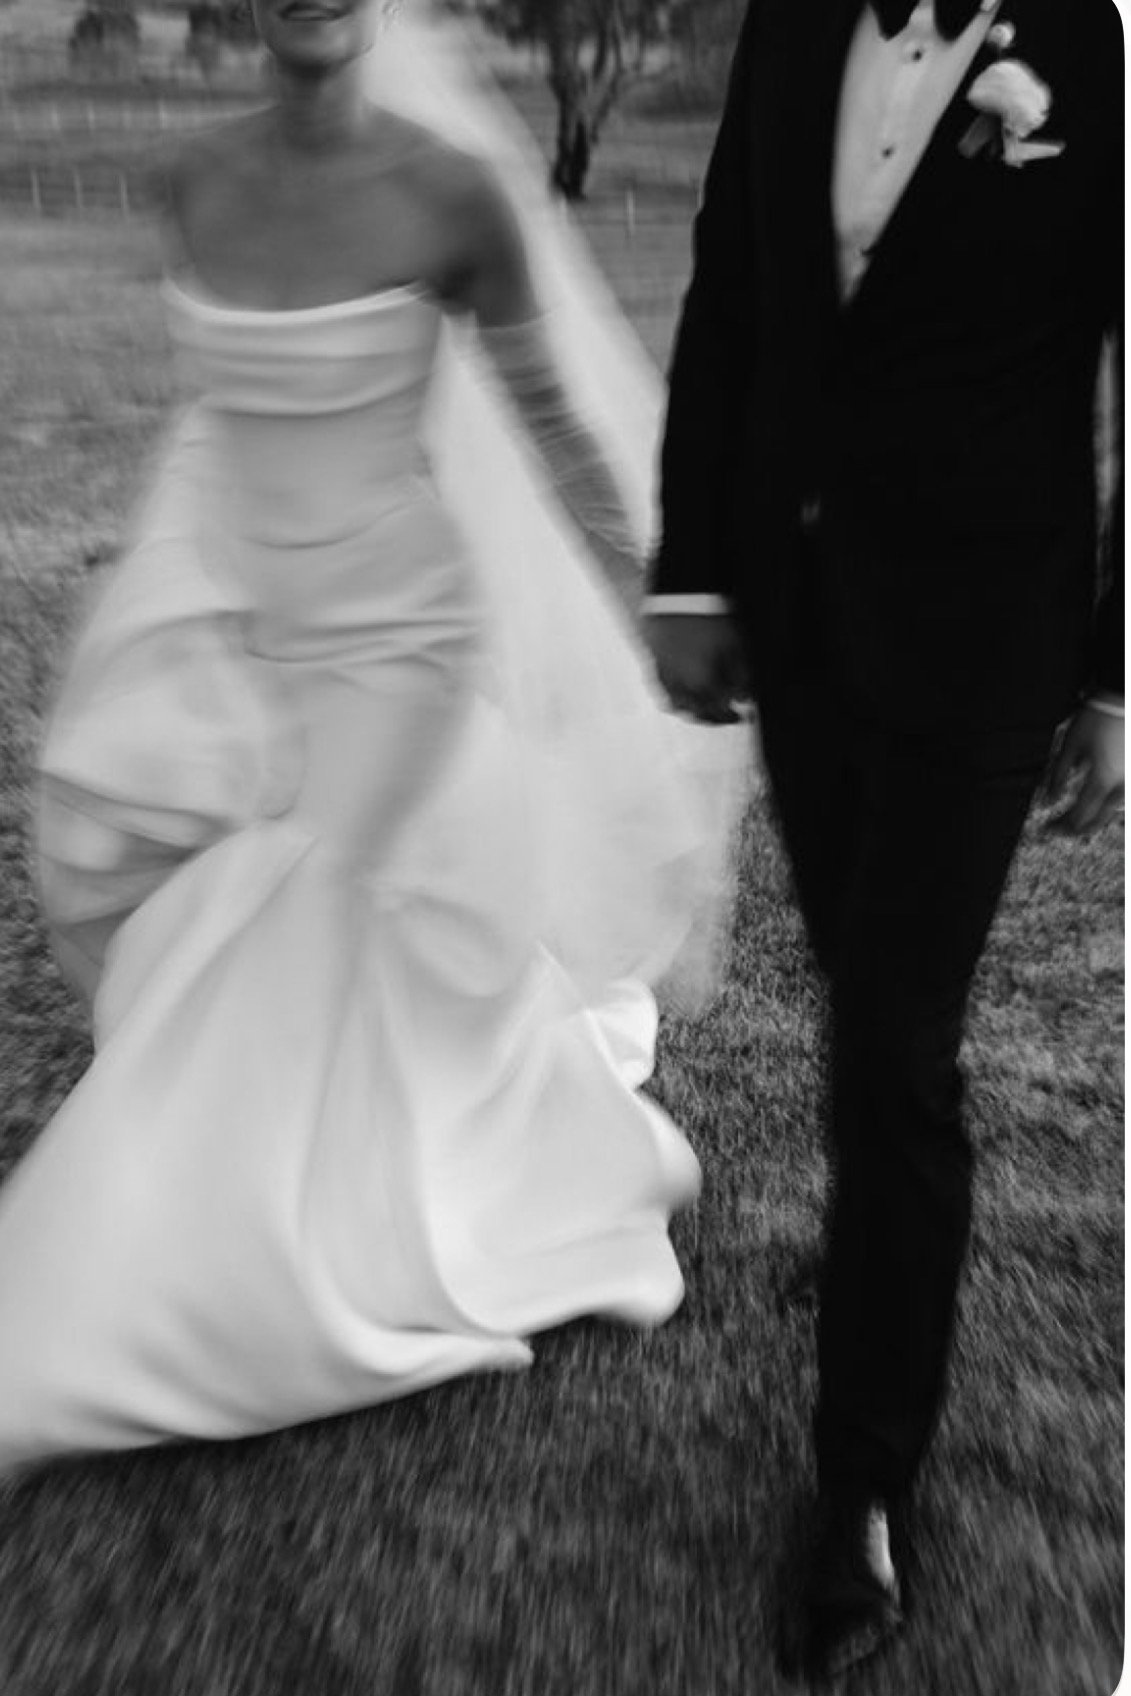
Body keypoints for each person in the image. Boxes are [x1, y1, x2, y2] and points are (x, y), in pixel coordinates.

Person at [0, 0, 746, 1475]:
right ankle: (262, 1202)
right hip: (242, 625)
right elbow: (224, 423)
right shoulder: (190, 182)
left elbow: (552, 428)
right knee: (221, 910)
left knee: (308, 907)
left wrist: (667, 592)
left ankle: (196, 1279)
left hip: (399, 640)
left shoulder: (452, 190)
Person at [646, 0, 1123, 1678]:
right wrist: (692, 570)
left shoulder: (1105, 45)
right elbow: (730, 290)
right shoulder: (788, 26)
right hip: (798, 618)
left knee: (901, 1046)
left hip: (991, 638)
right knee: (863, 1002)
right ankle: (884, 1263)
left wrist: (1119, 677)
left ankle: (863, 1480)